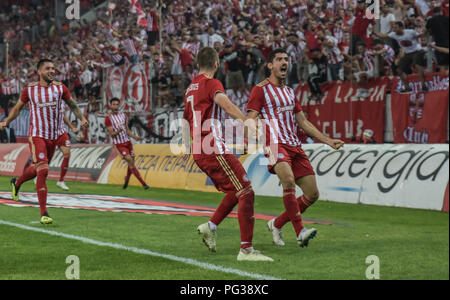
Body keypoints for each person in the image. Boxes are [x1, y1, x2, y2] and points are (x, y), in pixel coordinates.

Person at [246, 48, 344, 248]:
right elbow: (250, 118)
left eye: (286, 59)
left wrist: (327, 140)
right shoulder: (260, 89)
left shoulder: (290, 92)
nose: (284, 62)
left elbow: (303, 122)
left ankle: (277, 224)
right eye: (279, 59)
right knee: (288, 181)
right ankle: (300, 232)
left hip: (294, 145)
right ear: (270, 65)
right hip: (274, 144)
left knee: (312, 194)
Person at [183, 46, 272, 262]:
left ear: (197, 64)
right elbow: (226, 104)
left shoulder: (190, 89)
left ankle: (210, 226)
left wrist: (188, 148)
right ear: (216, 64)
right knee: (247, 191)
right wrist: (247, 122)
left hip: (201, 149)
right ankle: (246, 250)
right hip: (212, 147)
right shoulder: (211, 83)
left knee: (236, 191)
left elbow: (186, 121)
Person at [0, 58, 89, 225]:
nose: (52, 71)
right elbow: (18, 109)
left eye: (53, 68)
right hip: (37, 135)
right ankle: (44, 212)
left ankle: (17, 182)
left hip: (55, 136)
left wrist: (82, 118)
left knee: (37, 167)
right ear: (39, 71)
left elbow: (73, 105)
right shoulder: (30, 90)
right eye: (48, 68)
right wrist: (6, 122)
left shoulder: (60, 88)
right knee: (43, 170)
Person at [105, 97, 149, 190]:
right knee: (129, 160)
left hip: (128, 142)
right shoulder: (108, 118)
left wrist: (134, 136)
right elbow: (112, 134)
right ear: (110, 105)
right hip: (119, 144)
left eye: (117, 104)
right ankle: (143, 183)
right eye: (114, 104)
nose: (116, 106)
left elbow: (127, 130)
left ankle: (127, 181)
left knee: (131, 163)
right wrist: (118, 131)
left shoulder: (123, 116)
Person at [375, 21, 427, 93]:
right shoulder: (393, 34)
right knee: (399, 70)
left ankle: (424, 86)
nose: (394, 29)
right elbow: (382, 36)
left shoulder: (410, 32)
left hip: (417, 51)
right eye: (393, 28)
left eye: (396, 28)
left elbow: (420, 36)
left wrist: (424, 31)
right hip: (407, 53)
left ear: (401, 27)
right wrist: (373, 32)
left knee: (417, 66)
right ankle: (407, 87)